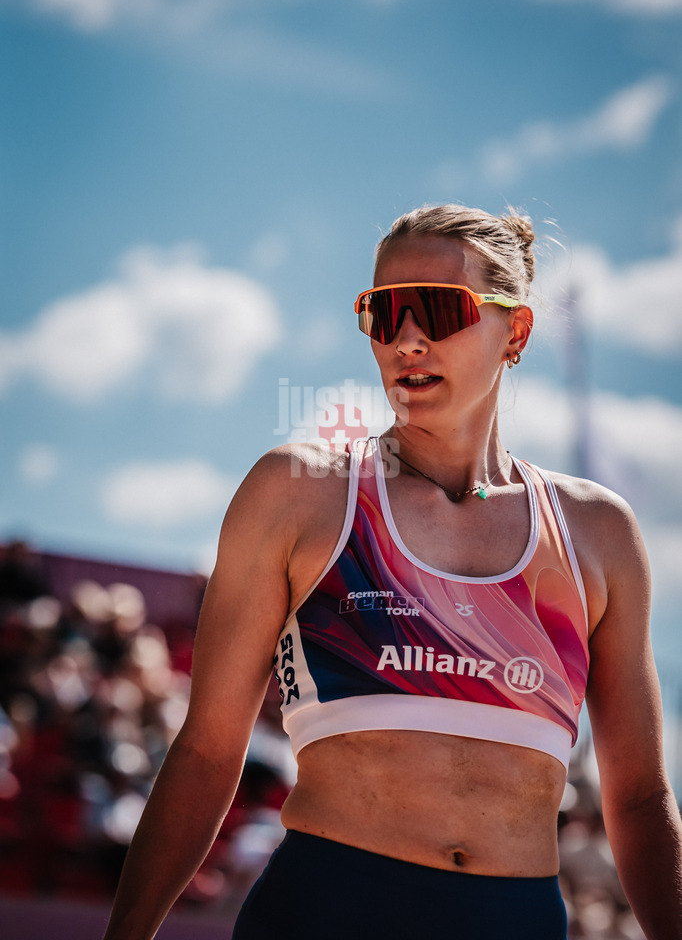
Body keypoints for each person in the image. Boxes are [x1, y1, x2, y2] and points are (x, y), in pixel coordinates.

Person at [103, 204, 682, 940]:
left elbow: (638, 798)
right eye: (385, 313)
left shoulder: (597, 533)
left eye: (439, 309)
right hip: (325, 914)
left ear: (517, 331)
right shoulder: (298, 495)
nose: (408, 338)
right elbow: (209, 751)